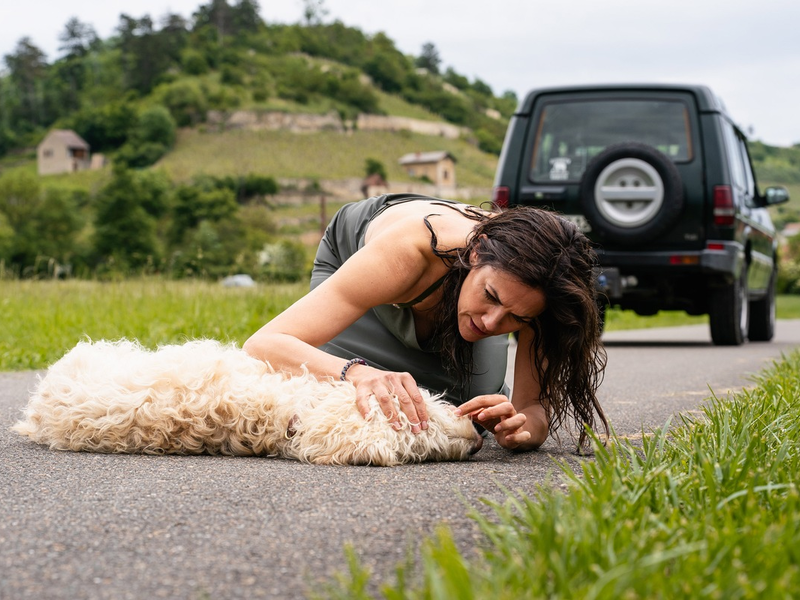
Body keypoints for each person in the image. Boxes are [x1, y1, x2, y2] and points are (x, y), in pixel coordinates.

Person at [244, 193, 608, 451]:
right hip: (362, 263)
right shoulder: (415, 248)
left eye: (517, 318)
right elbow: (264, 344)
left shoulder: (540, 286)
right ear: (477, 251)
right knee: (343, 394)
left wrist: (522, 428)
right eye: (491, 297)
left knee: (463, 411)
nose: (491, 322)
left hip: (457, 286)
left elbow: (534, 410)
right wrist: (358, 373)